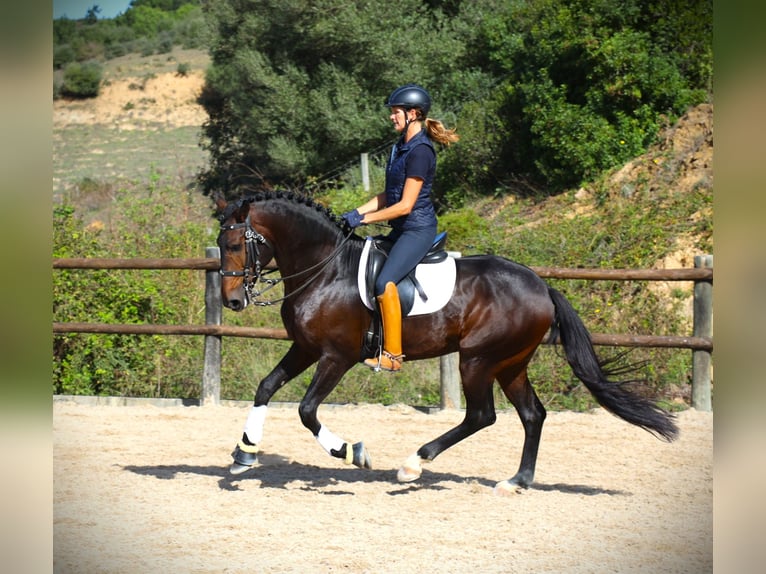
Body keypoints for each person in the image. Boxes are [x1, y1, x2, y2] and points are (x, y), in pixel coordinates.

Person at [341, 84, 459, 372]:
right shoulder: (400, 147)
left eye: (396, 113)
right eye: (392, 112)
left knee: (385, 283)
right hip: (400, 229)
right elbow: (389, 194)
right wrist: (356, 212)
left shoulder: (421, 152)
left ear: (413, 114)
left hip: (417, 230)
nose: (391, 117)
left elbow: (405, 205)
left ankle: (393, 355)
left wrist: (367, 220)